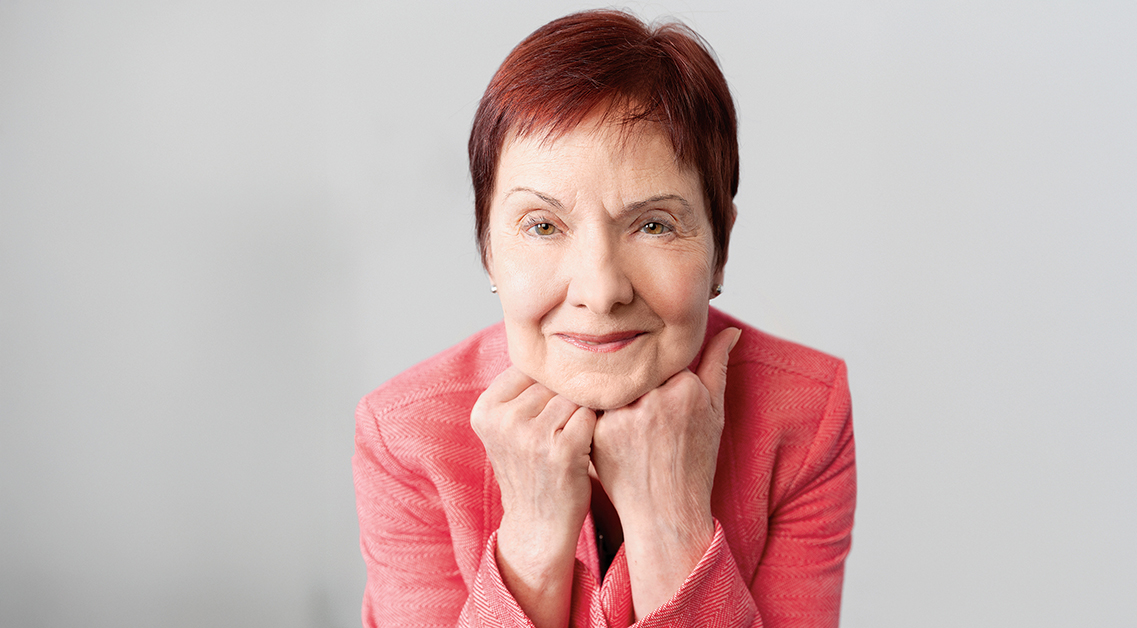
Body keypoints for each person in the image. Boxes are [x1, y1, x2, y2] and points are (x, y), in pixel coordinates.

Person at [353, 9, 855, 628]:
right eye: (543, 226)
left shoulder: (803, 416)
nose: (600, 291)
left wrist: (669, 523)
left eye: (654, 225)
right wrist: (532, 539)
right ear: (487, 250)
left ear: (720, 247)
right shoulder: (407, 437)